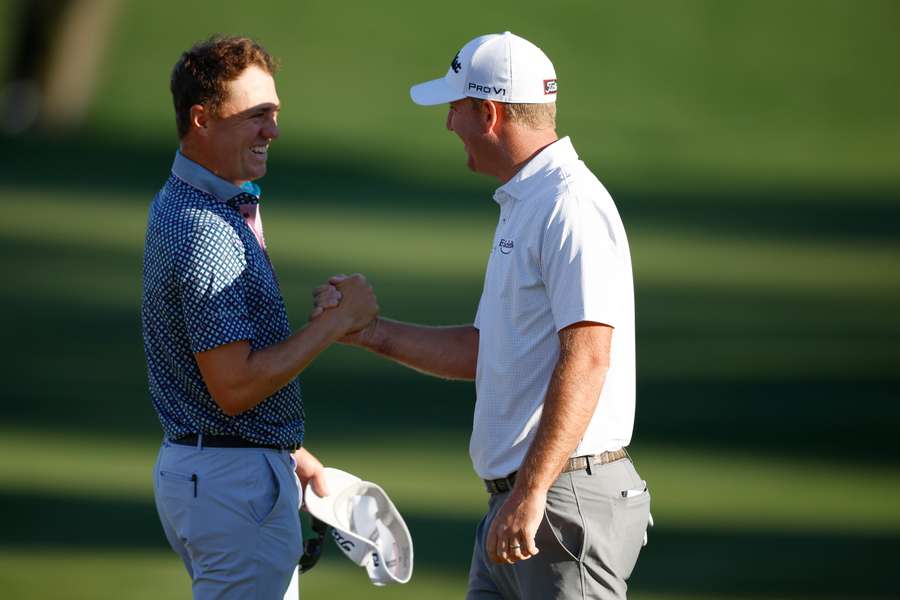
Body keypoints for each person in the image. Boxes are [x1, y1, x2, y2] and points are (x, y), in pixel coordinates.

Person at [314, 32, 650, 599]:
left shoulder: (569, 204)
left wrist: (531, 491)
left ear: (488, 113)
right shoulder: (530, 202)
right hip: (525, 501)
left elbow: (589, 356)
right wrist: (368, 332)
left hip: (558, 504)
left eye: (455, 108)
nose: (449, 124)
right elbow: (485, 351)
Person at [141, 36, 378, 599]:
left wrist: (287, 451)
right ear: (201, 119)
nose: (272, 130)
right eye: (256, 116)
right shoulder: (209, 231)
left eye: (273, 113)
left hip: (218, 471)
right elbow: (235, 384)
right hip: (230, 484)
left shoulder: (193, 200)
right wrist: (336, 324)